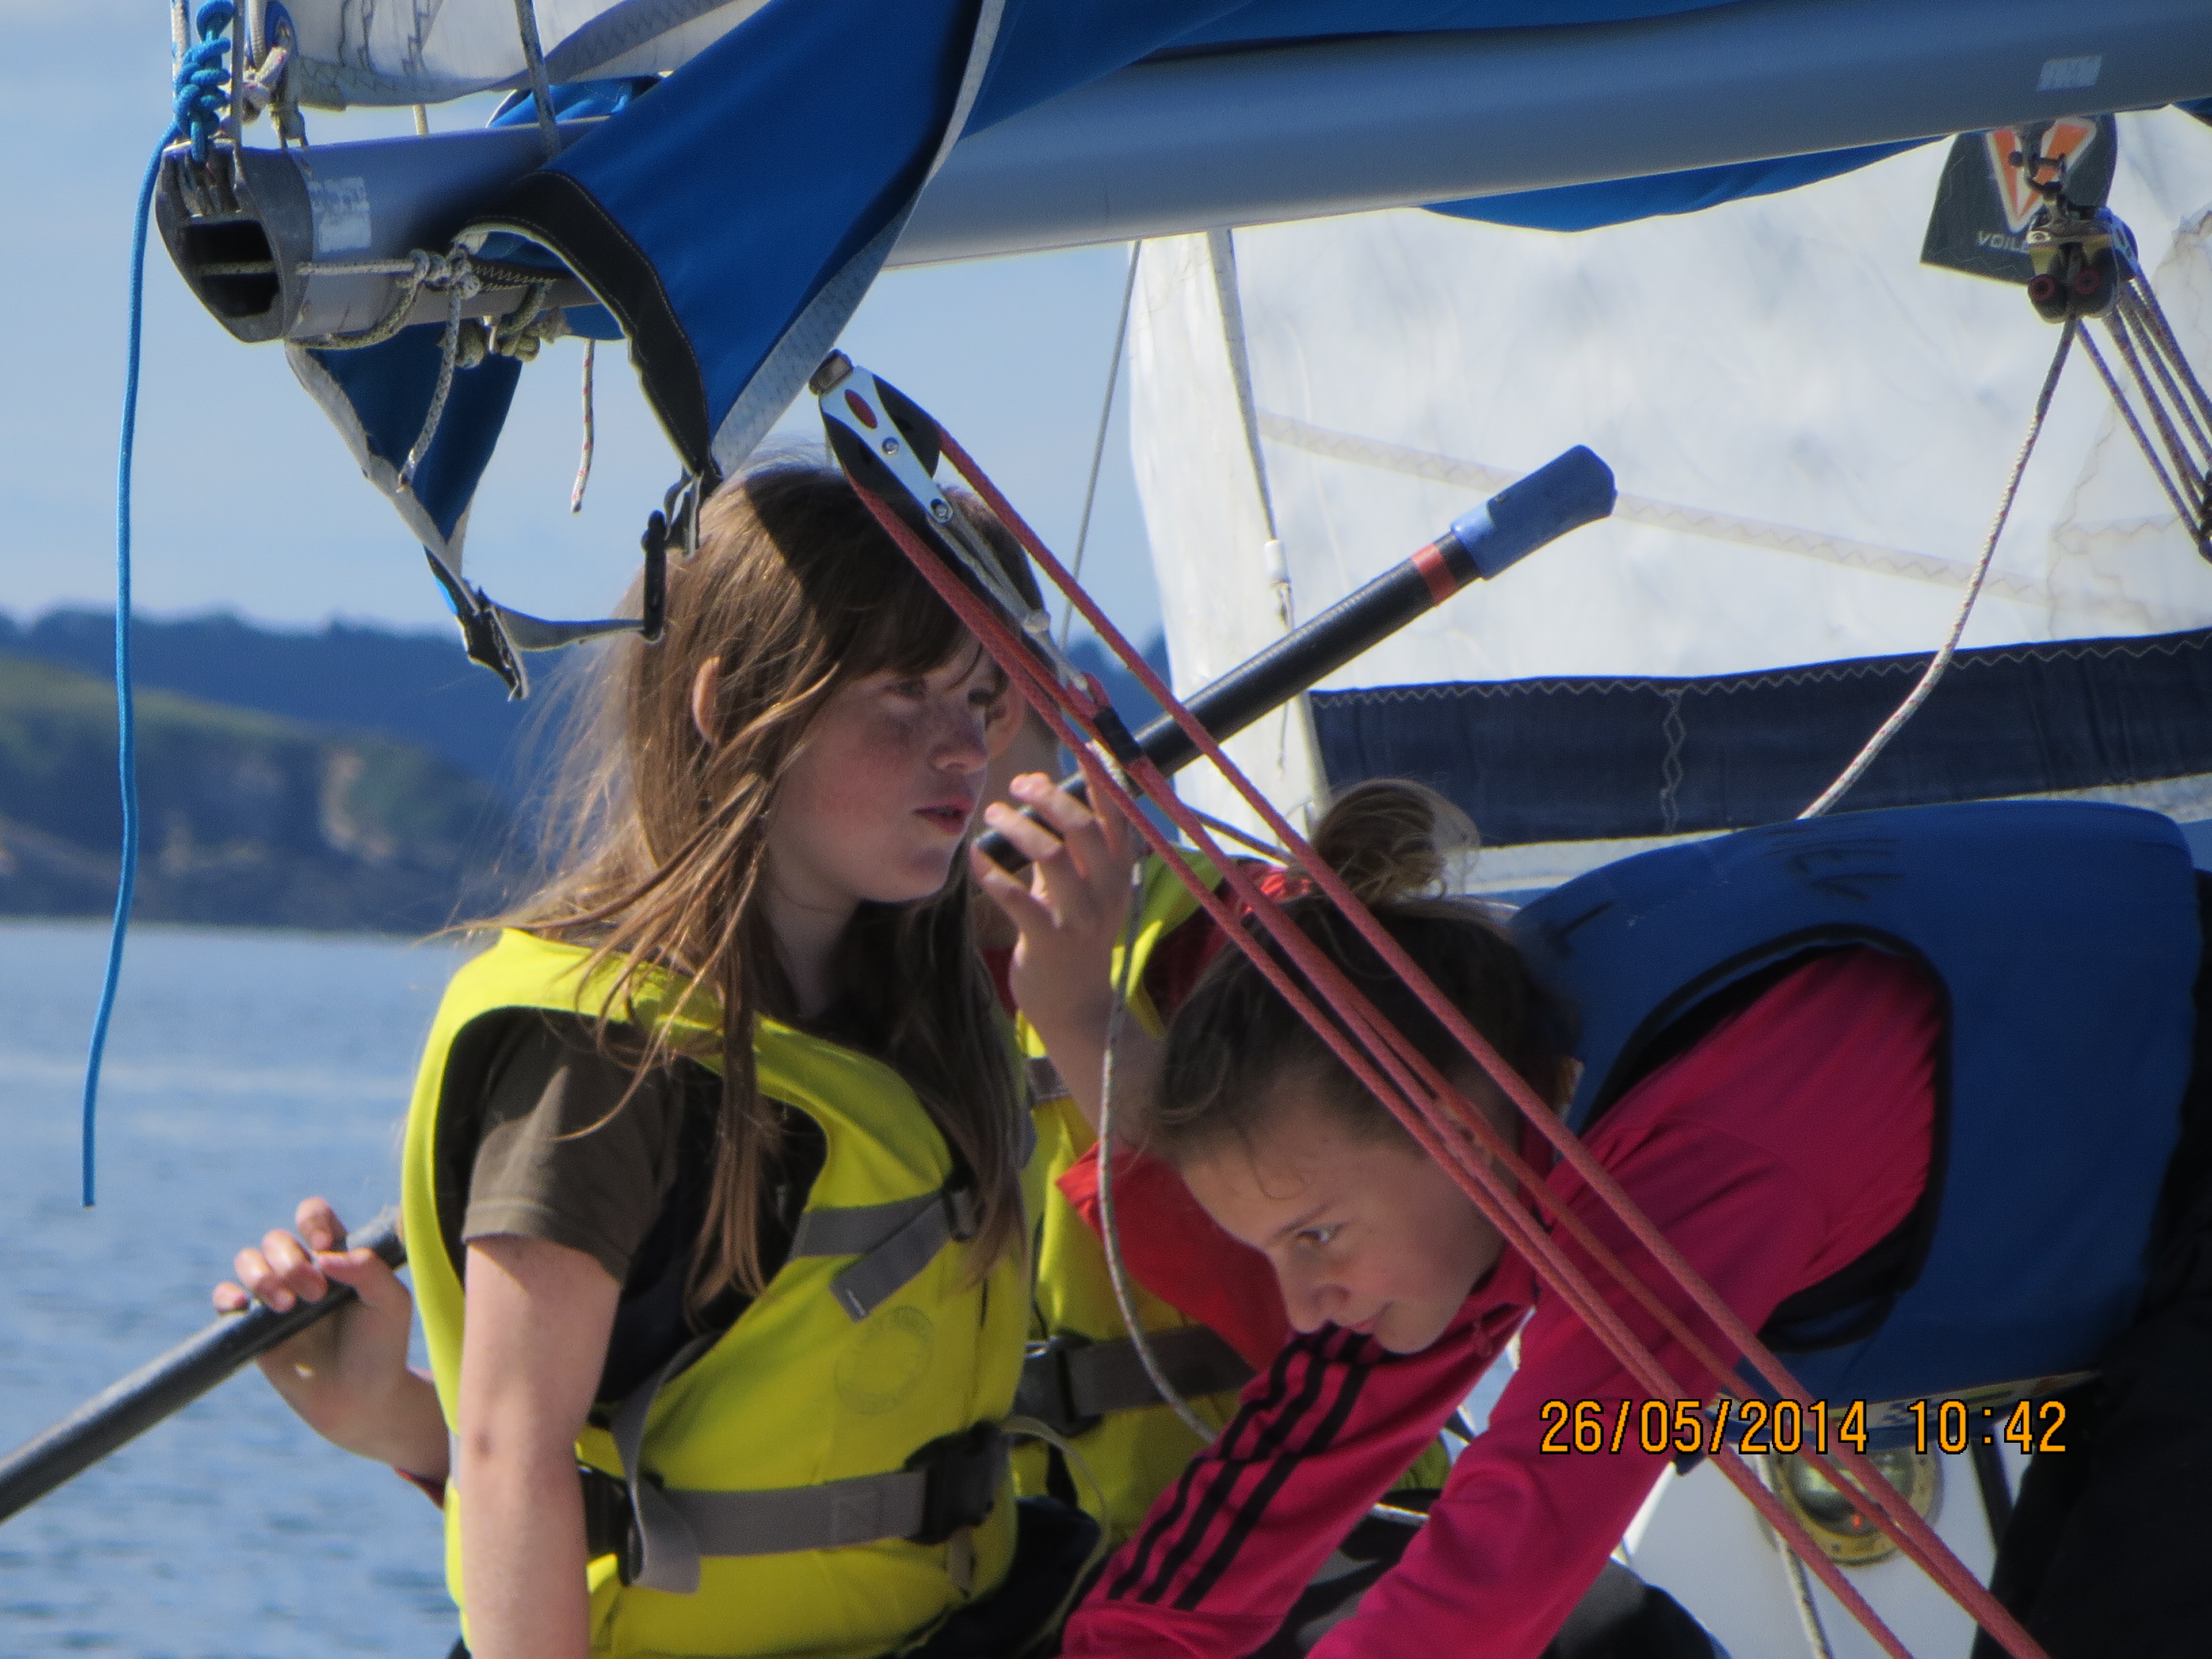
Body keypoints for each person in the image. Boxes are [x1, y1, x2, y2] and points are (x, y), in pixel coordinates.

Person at [997, 779, 2212, 1658]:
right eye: (1275, 1255)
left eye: (1314, 1236)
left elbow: (1518, 1537)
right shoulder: (1493, 1090)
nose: (1306, 1304)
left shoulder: (1681, 1165)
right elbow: (1298, 1450)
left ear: (1448, 1131)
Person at [215, 459, 1093, 1659]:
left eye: (979, 700)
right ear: (727, 705)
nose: (961, 749)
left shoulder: (921, 1004)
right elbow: (512, 1456)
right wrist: (388, 1413)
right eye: (902, 694)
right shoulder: (597, 1054)